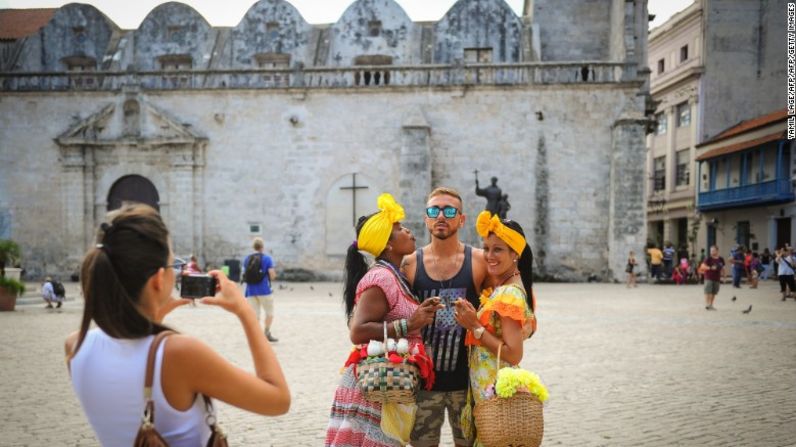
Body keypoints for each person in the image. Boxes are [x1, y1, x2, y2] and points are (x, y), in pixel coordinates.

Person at [64, 204, 290, 446]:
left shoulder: (76, 346)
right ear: (159, 280)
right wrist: (245, 312)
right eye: (174, 264)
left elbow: (130, 359)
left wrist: (156, 310)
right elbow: (277, 399)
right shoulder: (178, 353)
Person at [326, 193, 443, 446]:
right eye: (401, 229)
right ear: (388, 244)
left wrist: (419, 314)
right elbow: (358, 331)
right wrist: (410, 324)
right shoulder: (381, 278)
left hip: (389, 384)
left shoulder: (395, 276)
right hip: (375, 389)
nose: (409, 231)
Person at [401, 187, 488, 447]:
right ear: (426, 218)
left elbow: (501, 306)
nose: (441, 216)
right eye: (434, 210)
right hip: (423, 386)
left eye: (449, 211)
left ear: (461, 219)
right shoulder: (410, 264)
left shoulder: (479, 261)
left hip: (468, 385)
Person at [453, 212, 536, 447]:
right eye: (486, 248)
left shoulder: (509, 294)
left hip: (496, 392)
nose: (489, 256)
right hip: (489, 392)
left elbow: (513, 353)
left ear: (515, 254)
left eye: (498, 249)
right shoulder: (505, 288)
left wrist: (475, 326)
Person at [243, 237, 278, 342]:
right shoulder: (267, 258)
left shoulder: (247, 259)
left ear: (253, 247)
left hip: (250, 291)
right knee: (269, 313)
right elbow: (272, 275)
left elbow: (244, 274)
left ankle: (255, 335)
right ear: (262, 247)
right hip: (264, 290)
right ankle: (266, 333)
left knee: (254, 314)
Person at [699, 245, 725, 310]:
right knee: (708, 291)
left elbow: (723, 268)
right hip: (708, 277)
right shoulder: (708, 259)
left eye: (713, 250)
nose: (711, 252)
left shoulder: (721, 259)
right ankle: (707, 304)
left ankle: (711, 304)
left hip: (717, 278)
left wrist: (724, 277)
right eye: (711, 250)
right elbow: (702, 266)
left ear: (717, 251)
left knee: (714, 292)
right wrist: (710, 268)